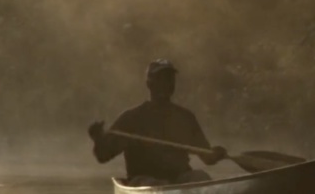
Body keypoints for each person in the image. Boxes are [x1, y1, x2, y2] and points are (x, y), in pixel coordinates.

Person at [87, 59, 228, 185]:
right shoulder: (131, 118)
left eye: (169, 79)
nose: (165, 84)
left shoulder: (185, 117)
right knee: (154, 184)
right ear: (150, 84)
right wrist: (98, 139)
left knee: (200, 176)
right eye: (161, 79)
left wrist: (216, 153)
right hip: (144, 181)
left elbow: (207, 157)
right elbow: (103, 156)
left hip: (178, 181)